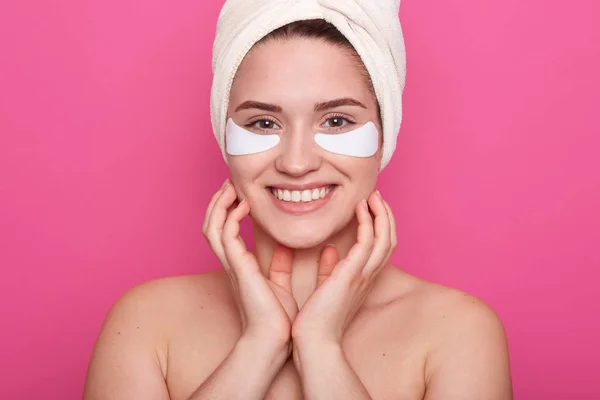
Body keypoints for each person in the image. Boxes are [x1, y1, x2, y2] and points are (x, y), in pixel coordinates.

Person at [84, 1, 512, 399]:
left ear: (385, 136)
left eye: (337, 120)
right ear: (223, 136)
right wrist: (260, 344)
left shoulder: (457, 333)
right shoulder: (145, 325)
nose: (296, 162)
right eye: (265, 122)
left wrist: (321, 348)